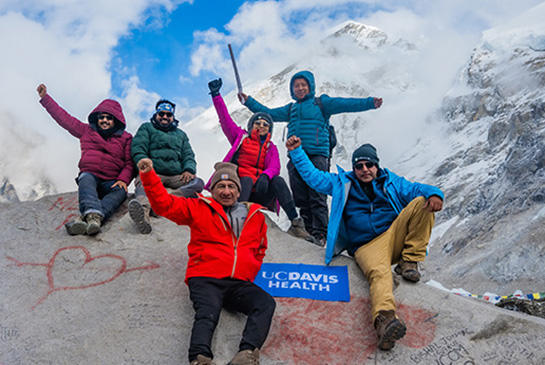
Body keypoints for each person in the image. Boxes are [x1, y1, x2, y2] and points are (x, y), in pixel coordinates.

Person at [285, 136, 444, 351]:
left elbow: (415, 189)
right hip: (366, 247)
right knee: (380, 276)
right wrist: (297, 152)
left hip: (393, 235)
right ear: (354, 168)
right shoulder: (343, 183)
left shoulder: (391, 181)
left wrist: (435, 194)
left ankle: (409, 261)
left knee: (421, 203)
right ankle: (385, 321)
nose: (364, 169)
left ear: (377, 165)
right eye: (359, 166)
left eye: (369, 164)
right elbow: (314, 178)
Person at [137, 159, 276, 365]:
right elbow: (164, 205)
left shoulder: (254, 215)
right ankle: (200, 358)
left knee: (265, 303)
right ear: (212, 189)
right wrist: (148, 176)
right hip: (205, 277)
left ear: (238, 191)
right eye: (220, 186)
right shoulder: (198, 206)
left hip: (238, 282)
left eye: (231, 186)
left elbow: (260, 248)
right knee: (208, 312)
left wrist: (249, 271)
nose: (226, 191)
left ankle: (246, 355)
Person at [239, 70, 383, 246]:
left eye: (303, 85)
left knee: (317, 194)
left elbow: (346, 104)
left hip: (317, 154)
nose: (300, 88)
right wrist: (248, 102)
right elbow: (269, 113)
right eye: (296, 86)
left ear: (310, 86)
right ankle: (307, 232)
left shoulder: (321, 104)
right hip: (295, 156)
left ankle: (321, 234)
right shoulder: (291, 109)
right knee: (300, 196)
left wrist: (370, 103)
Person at [207, 78, 312, 241]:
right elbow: (225, 120)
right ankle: (236, 218)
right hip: (241, 189)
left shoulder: (271, 147)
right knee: (247, 179)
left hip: (261, 189)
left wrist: (265, 177)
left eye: (265, 124)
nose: (261, 126)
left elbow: (274, 167)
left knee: (278, 180)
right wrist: (216, 95)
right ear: (251, 126)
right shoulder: (240, 138)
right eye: (257, 123)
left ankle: (295, 223)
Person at [37, 84, 134, 236]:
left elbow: (130, 163)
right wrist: (45, 98)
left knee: (121, 191)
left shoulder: (126, 138)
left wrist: (123, 180)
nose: (104, 120)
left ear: (116, 120)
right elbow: (64, 119)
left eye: (109, 118)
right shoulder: (86, 131)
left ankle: (86, 218)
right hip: (91, 176)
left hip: (111, 180)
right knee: (85, 178)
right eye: (101, 117)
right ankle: (94, 217)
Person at [129, 99, 204, 234]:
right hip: (153, 172)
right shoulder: (147, 128)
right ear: (156, 114)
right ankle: (143, 213)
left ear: (173, 116)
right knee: (143, 184)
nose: (164, 117)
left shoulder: (181, 134)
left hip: (176, 175)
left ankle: (164, 200)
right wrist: (144, 163)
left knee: (197, 184)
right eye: (161, 114)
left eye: (168, 114)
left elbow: (188, 154)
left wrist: (189, 169)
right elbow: (138, 147)